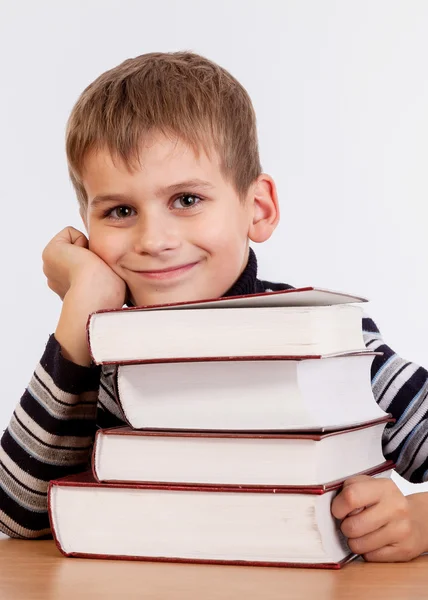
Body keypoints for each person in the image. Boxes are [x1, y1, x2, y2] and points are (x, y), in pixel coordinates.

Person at [1, 51, 428, 562]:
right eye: (120, 211)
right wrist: (79, 311)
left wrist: (421, 519)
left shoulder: (327, 345)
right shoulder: (102, 357)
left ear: (258, 208)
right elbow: (18, 515)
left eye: (186, 200)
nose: (154, 240)